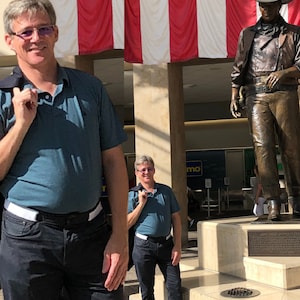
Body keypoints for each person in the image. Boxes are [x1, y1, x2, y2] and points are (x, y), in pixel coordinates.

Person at [0, 0, 129, 299]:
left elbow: (113, 161)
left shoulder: (90, 88)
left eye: (44, 28)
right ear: (10, 41)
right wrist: (20, 124)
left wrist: (120, 236)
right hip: (27, 240)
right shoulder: (4, 97)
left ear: (55, 33)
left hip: (91, 234)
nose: (36, 38)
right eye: (26, 31)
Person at [230, 0, 300, 221]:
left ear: (279, 5)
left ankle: (296, 197)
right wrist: (234, 94)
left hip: (285, 94)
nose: (265, 9)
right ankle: (272, 202)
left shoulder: (293, 33)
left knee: (291, 148)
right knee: (263, 148)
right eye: (262, 5)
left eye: (270, 5)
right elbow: (239, 66)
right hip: (256, 95)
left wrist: (284, 72)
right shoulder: (248, 34)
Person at [127, 155, 182, 300]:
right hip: (143, 246)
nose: (146, 172)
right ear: (137, 173)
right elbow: (126, 223)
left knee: (175, 286)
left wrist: (177, 246)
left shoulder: (166, 191)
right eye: (142, 170)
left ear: (154, 170)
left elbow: (176, 218)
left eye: (149, 169)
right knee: (146, 290)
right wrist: (141, 204)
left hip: (166, 244)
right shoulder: (132, 194)